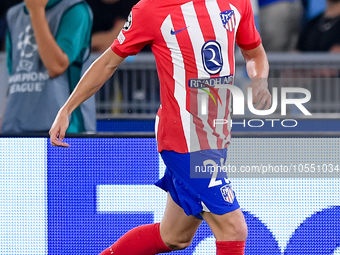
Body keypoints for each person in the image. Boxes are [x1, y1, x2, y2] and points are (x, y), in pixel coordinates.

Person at [49, 0, 271, 254]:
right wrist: (67, 109)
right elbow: (108, 62)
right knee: (233, 229)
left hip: (216, 138)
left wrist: (260, 81)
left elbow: (255, 54)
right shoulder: (152, 9)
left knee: (174, 237)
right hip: (184, 139)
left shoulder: (236, 3)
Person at [1, 0, 96, 134]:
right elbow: (13, 74)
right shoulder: (13, 14)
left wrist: (36, 11)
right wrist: (4, 119)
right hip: (15, 127)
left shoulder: (75, 9)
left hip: (64, 130)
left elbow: (56, 66)